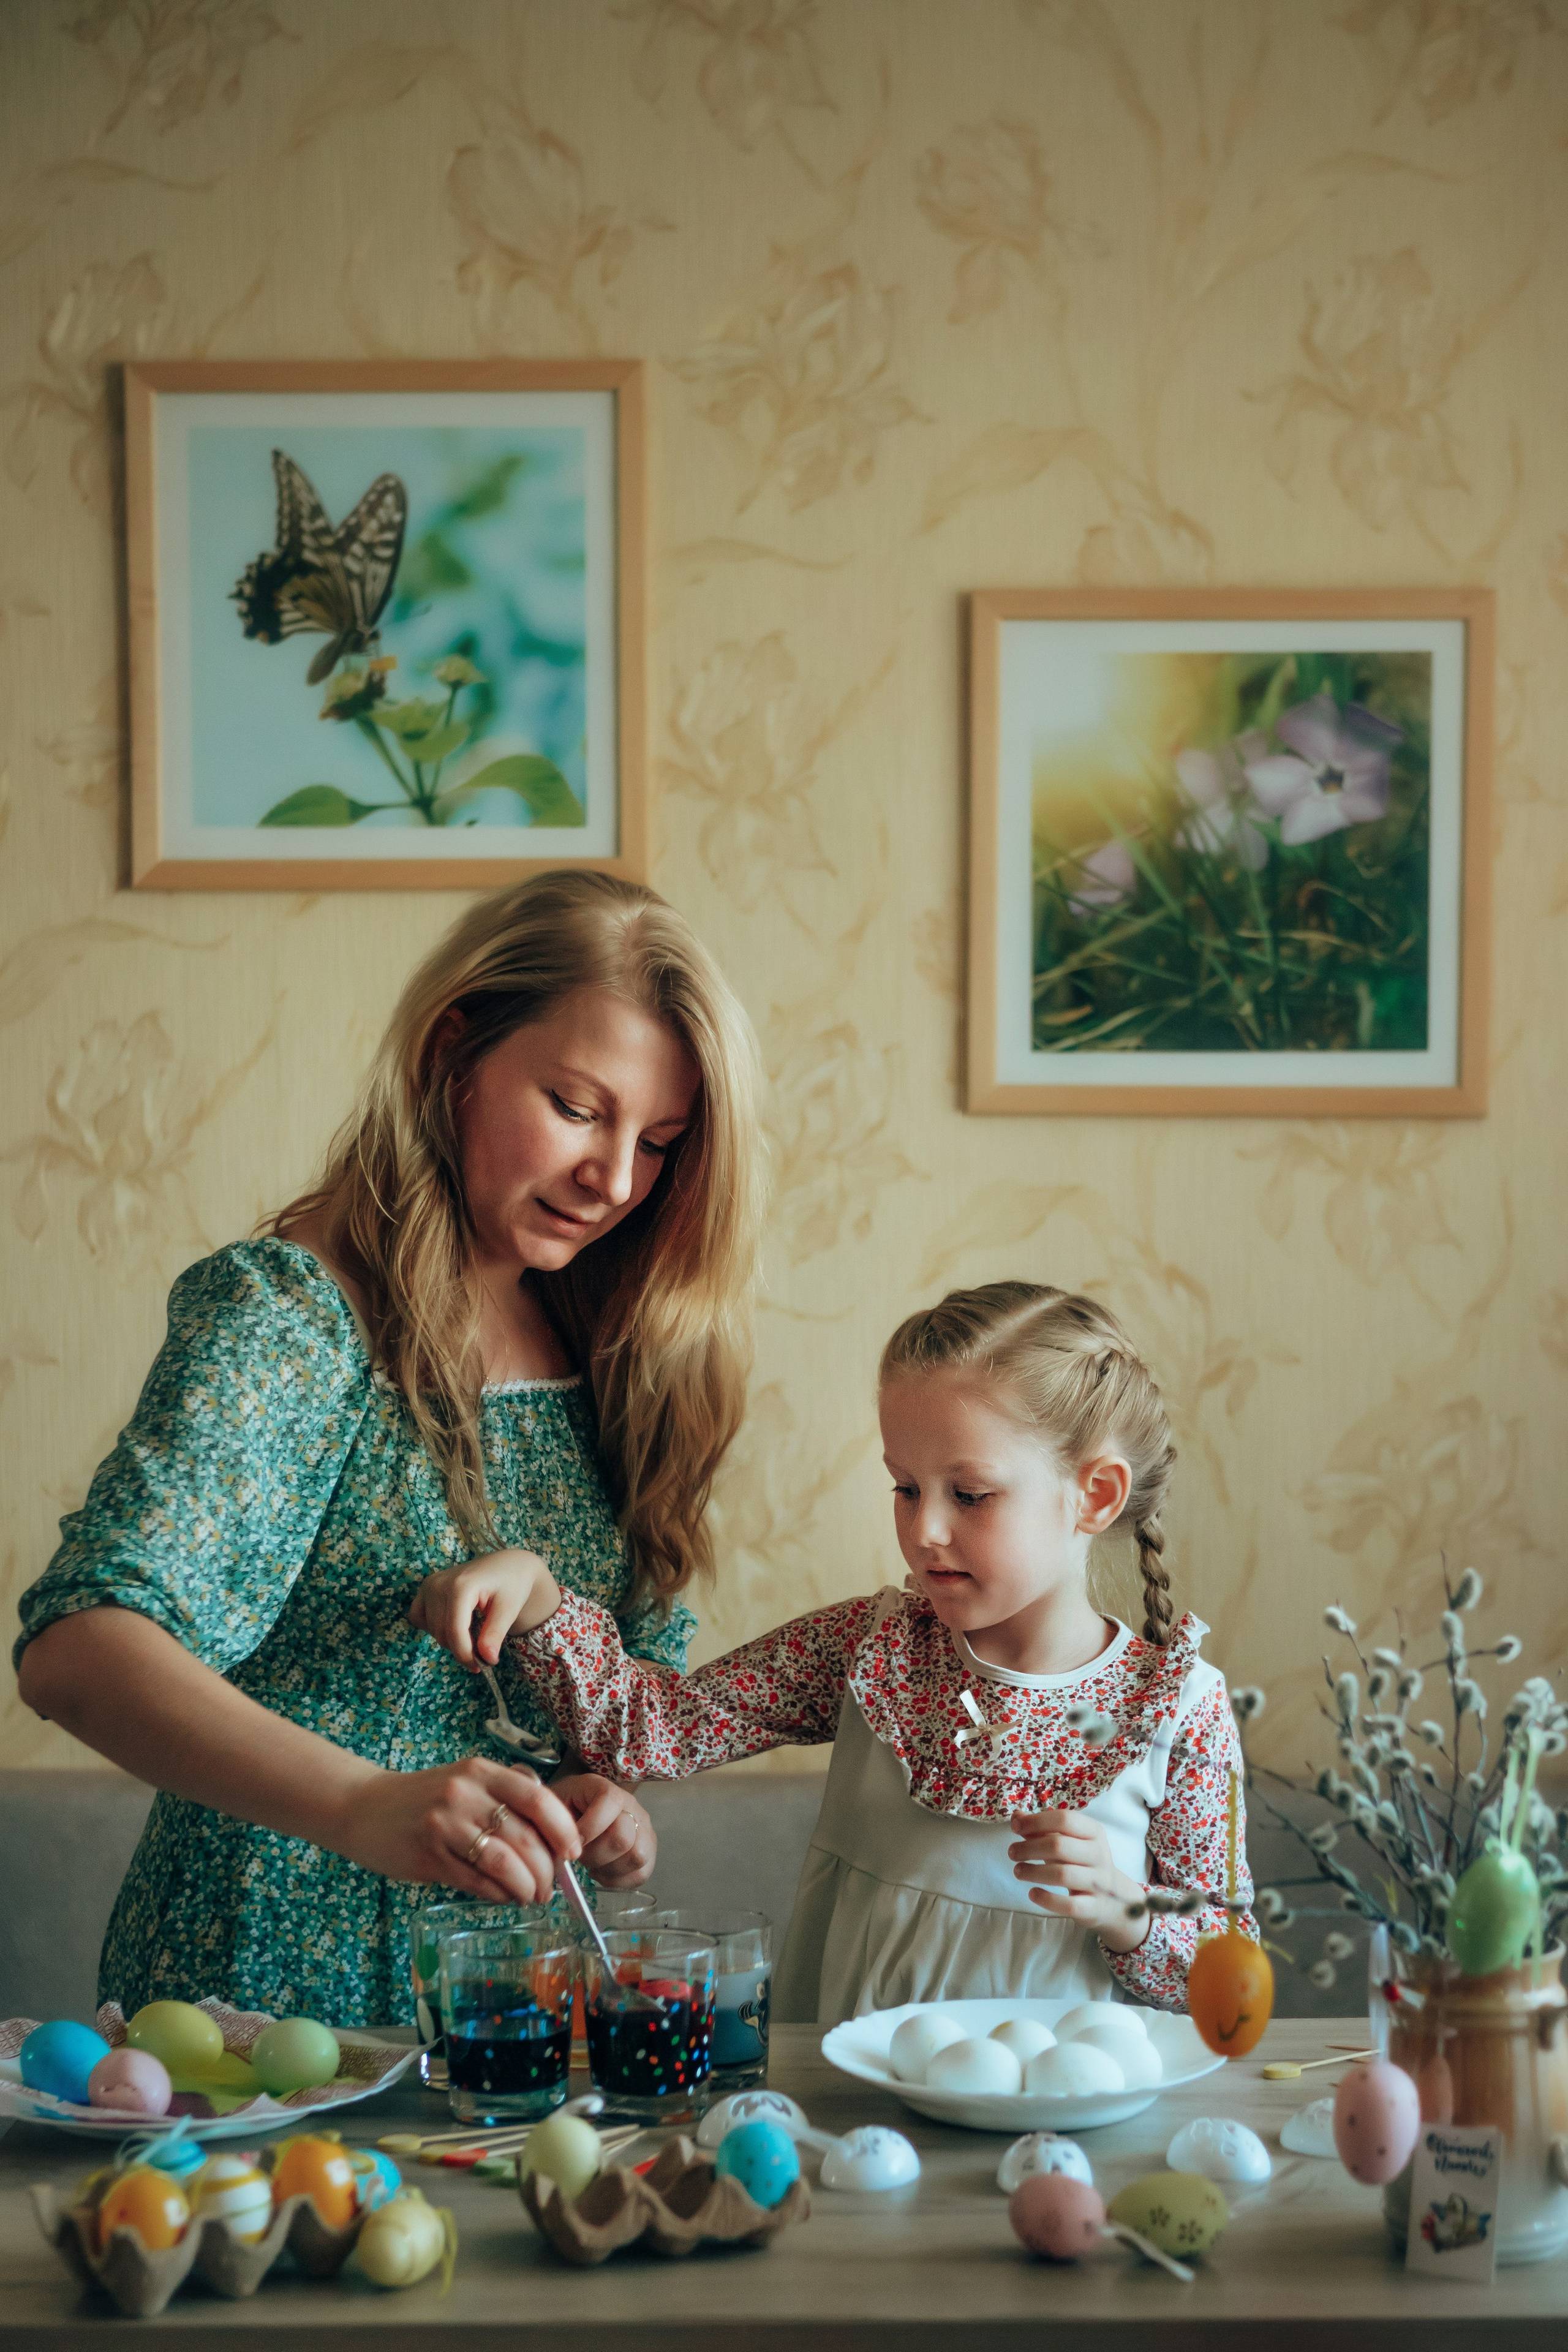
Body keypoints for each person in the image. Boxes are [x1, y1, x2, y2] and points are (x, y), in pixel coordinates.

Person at [14, 873, 766, 2026]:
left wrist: (598, 1791)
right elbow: (75, 1653)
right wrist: (364, 1804)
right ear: (452, 1049)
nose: (614, 1181)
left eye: (658, 1143)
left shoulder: (614, 1343)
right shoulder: (294, 1317)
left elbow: (621, 1693)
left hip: (508, 2004)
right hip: (260, 2009)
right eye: (577, 1107)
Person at [412, 1282, 1256, 2022]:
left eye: (970, 1494)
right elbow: (649, 1730)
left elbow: (1230, 1987)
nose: (924, 1530)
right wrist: (539, 1601)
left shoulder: (1177, 1709)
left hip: (1067, 2140)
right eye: (905, 1487)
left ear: (1095, 1496)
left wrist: (1133, 1915)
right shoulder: (872, 1648)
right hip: (850, 2116)